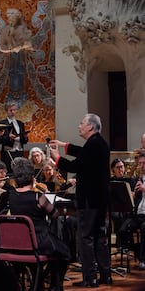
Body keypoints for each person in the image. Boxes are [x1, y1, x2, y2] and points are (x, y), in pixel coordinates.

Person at [50, 113, 111, 286]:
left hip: (89, 200)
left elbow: (74, 165)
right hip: (99, 200)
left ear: (90, 127)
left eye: (81, 123)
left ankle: (89, 278)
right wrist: (64, 145)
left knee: (85, 238)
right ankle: (105, 275)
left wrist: (57, 158)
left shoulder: (93, 146)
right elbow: (83, 152)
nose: (79, 126)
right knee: (99, 237)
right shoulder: (98, 143)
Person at [9, 157, 70, 291]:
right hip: (39, 242)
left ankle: (39, 282)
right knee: (65, 253)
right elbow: (54, 214)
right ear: (31, 177)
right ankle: (54, 285)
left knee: (54, 251)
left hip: (19, 242)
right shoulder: (38, 197)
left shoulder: (11, 196)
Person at [118, 152, 145, 270]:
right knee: (123, 230)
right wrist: (132, 196)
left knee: (144, 228)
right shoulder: (138, 178)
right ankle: (138, 254)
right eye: (140, 163)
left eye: (144, 163)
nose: (142, 166)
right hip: (137, 214)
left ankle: (143, 259)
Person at [0, 102, 29, 173]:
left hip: (19, 152)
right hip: (8, 153)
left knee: (20, 172)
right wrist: (9, 137)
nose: (13, 112)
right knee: (8, 172)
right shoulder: (2, 123)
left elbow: (24, 141)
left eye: (14, 110)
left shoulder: (20, 123)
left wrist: (25, 137)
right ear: (6, 111)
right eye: (11, 110)